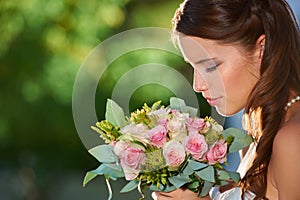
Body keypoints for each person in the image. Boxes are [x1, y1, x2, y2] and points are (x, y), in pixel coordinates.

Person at [153, 0, 300, 199]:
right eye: (193, 67)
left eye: (211, 66)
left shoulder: (292, 139)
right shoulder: (255, 135)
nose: (198, 85)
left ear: (261, 49)